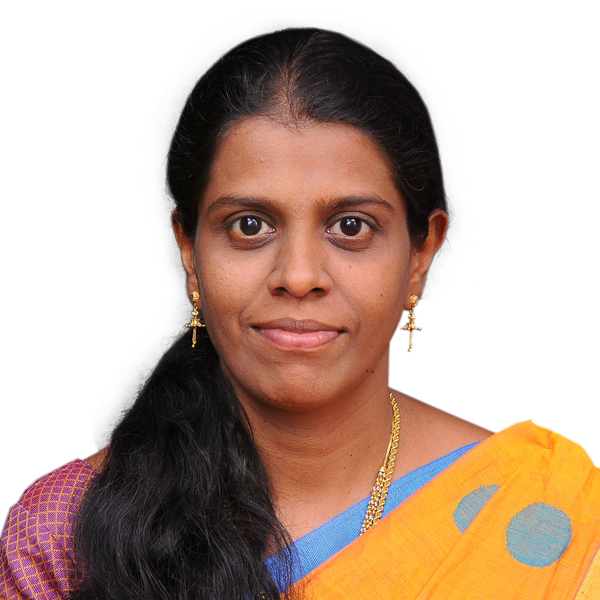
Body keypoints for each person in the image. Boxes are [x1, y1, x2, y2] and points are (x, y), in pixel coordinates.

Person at [1, 27, 599, 600]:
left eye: (351, 227)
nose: (299, 276)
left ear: (421, 254)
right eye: (249, 226)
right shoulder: (66, 532)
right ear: (189, 248)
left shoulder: (547, 515)